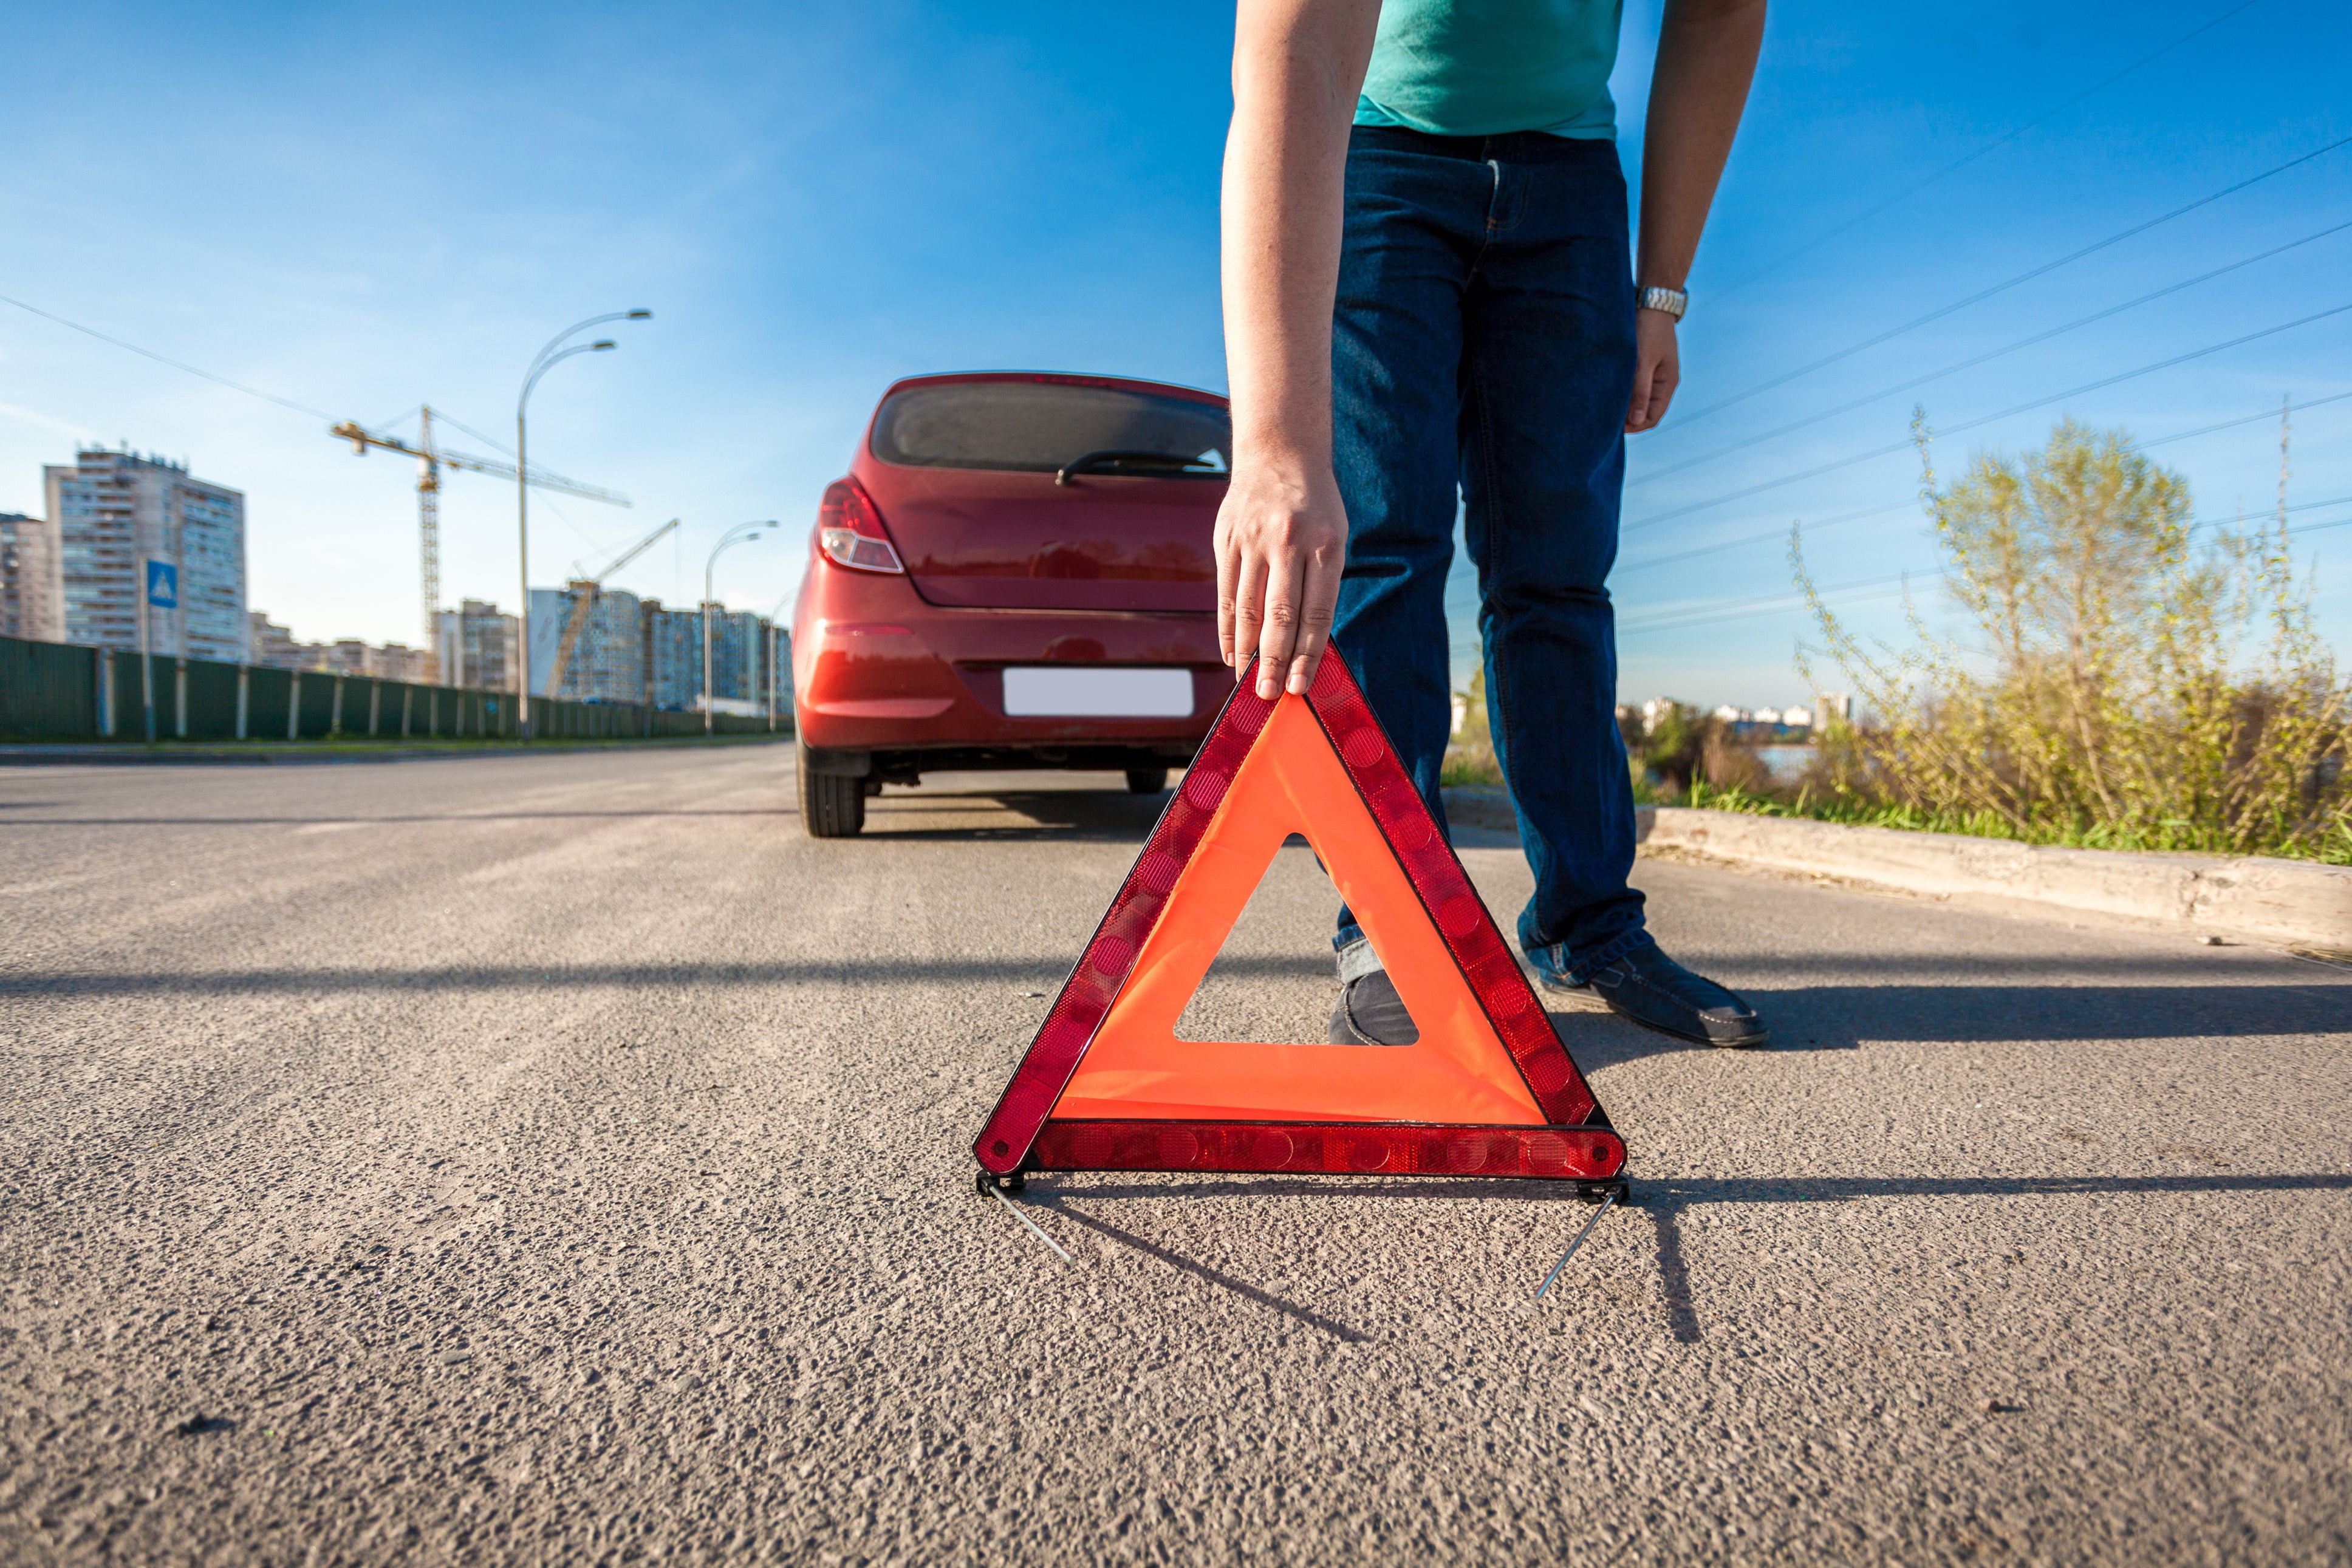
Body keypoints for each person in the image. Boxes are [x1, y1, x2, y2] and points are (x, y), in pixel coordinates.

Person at [1213, 0, 1771, 1048]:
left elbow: (1723, 11)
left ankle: (1588, 923)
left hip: (1570, 184)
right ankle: (1391, 920)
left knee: (1556, 574)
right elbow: (1291, 47)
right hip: (1376, 151)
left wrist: (1661, 293)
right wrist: (1278, 451)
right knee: (1381, 548)